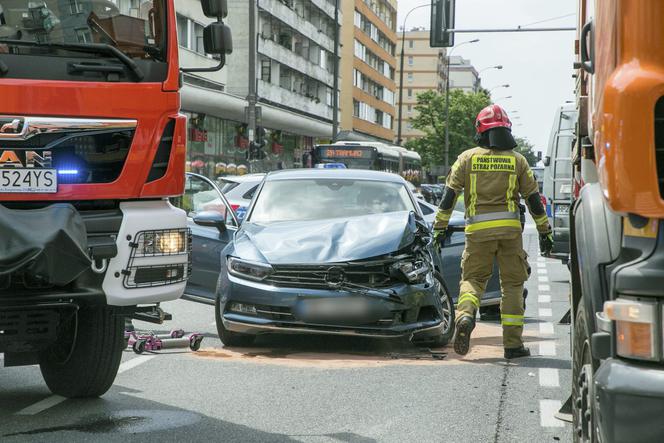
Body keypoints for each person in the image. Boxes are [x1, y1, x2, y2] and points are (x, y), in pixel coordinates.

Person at [433, 104, 553, 359]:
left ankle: (465, 316)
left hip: (477, 233)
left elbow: (448, 197)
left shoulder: (466, 158)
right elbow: (533, 199)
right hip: (510, 233)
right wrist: (545, 232)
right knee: (512, 285)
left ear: (480, 130)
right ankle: (512, 345)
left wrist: (438, 229)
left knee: (473, 281)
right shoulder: (517, 161)